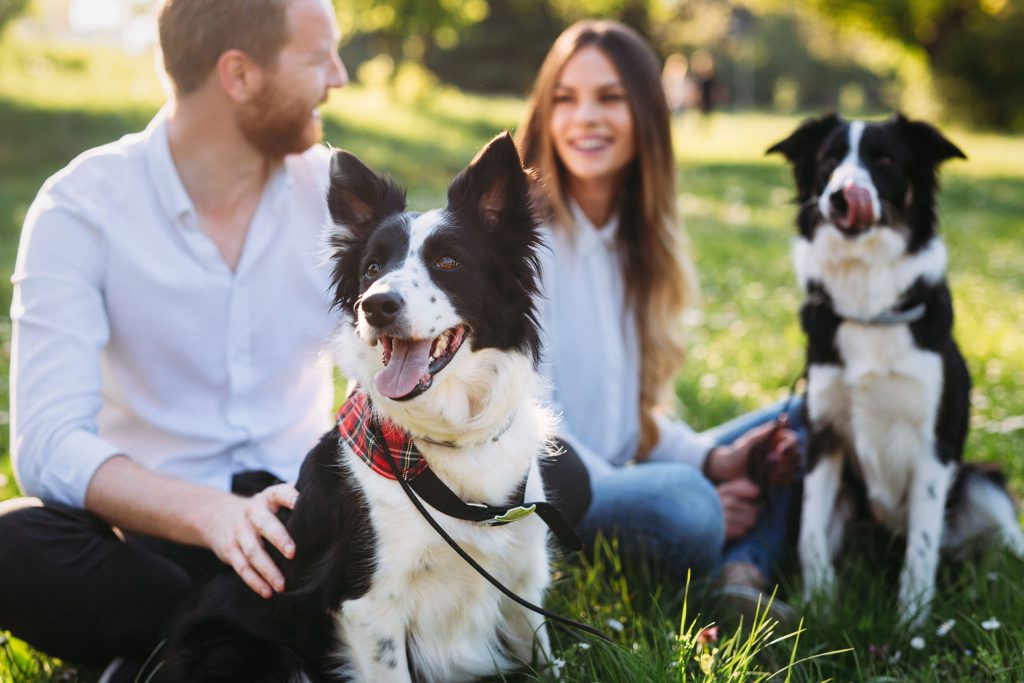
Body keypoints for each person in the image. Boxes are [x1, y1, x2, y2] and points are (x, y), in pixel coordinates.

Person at [0, 0, 348, 677]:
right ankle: (255, 650)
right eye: (316, 58)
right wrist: (214, 516)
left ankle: (191, 657)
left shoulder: (335, 196)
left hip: (303, 535)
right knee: (11, 544)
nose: (337, 76)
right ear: (238, 75)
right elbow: (46, 441)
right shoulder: (80, 206)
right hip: (156, 540)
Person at [516, 20, 801, 614]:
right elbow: (525, 425)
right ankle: (733, 550)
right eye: (565, 99)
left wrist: (716, 461)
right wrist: (690, 487)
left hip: (628, 471)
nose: (585, 118)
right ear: (545, 113)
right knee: (688, 506)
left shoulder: (637, 247)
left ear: (646, 114)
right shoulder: (521, 246)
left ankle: (739, 573)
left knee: (807, 415)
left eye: (609, 98)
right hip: (558, 491)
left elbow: (632, 422)